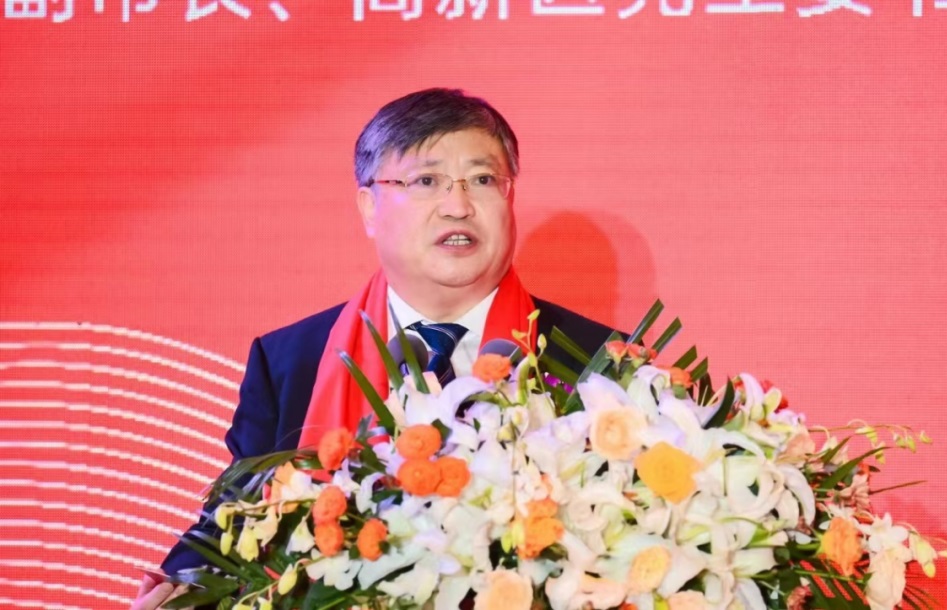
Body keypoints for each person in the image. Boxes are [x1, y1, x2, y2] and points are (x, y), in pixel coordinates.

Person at [131, 88, 617, 609]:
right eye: (426, 181)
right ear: (369, 207)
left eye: (482, 180)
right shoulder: (291, 362)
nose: (458, 206)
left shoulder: (597, 361)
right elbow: (234, 526)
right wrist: (181, 589)